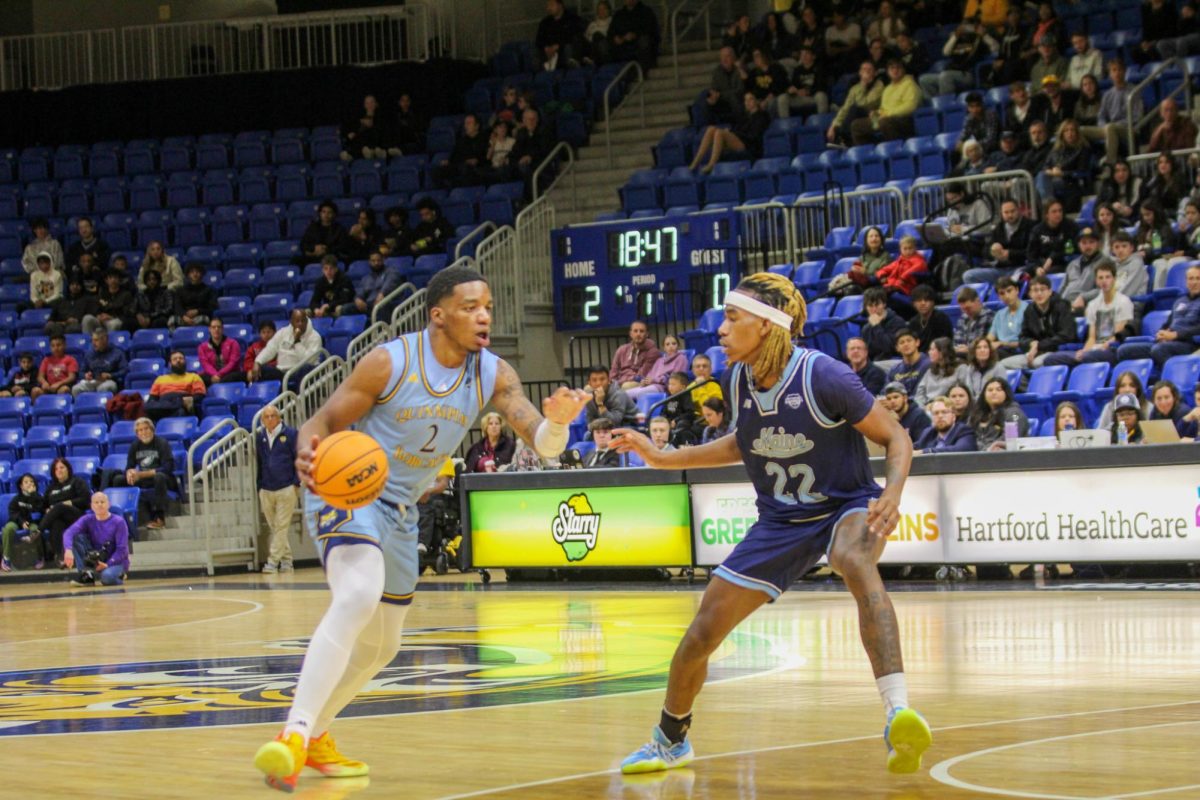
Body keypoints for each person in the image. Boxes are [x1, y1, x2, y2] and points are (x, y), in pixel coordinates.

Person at [253, 264, 589, 791]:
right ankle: (292, 735)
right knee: (358, 593)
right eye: (471, 307)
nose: (484, 316)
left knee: (383, 646)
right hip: (350, 491)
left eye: (489, 308)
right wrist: (306, 450)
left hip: (403, 508)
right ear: (438, 315)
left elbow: (543, 442)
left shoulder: (493, 372)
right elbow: (322, 422)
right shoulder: (390, 361)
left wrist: (560, 420)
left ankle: (317, 735)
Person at [611, 271, 928, 777]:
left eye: (732, 317)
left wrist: (891, 494)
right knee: (702, 630)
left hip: (844, 504)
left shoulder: (824, 375)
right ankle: (671, 740)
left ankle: (898, 713)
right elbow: (743, 443)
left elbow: (896, 438)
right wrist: (662, 457)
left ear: (766, 326)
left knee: (852, 559)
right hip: (780, 520)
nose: (720, 329)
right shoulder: (737, 379)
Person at [1046, 261, 1133, 366]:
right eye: (1100, 278)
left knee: (1087, 357)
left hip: (1112, 349)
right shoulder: (1093, 304)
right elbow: (1091, 337)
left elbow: (1117, 336)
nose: (1104, 281)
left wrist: (1096, 350)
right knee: (1051, 359)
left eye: (1107, 277)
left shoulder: (1124, 301)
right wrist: (1085, 351)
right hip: (1093, 350)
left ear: (1114, 279)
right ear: (1096, 281)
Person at [1116, 265, 1200, 367]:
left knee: (1159, 350)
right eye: (1191, 278)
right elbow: (1168, 323)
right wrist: (1161, 334)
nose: (1194, 282)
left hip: (1189, 344)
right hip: (1168, 342)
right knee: (1123, 351)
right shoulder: (1180, 300)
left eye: (1198, 278)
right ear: (1186, 281)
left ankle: (1177, 376)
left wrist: (1176, 335)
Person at [107, 417, 176, 530]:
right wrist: (130, 473)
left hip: (162, 478)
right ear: (137, 433)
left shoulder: (162, 443)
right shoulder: (135, 445)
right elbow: (129, 466)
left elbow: (168, 468)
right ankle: (121, 517)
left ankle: (159, 518)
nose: (143, 432)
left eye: (146, 429)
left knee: (159, 477)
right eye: (140, 430)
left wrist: (142, 474)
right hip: (143, 478)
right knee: (118, 479)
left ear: (152, 430)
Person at [256, 405, 299, 574]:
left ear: (279, 418)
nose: (270, 419)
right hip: (266, 488)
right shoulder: (260, 437)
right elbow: (259, 462)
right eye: (266, 416)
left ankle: (273, 562)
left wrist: (296, 482)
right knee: (275, 527)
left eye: (273, 416)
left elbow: (299, 458)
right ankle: (287, 561)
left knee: (281, 526)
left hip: (286, 487)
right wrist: (259, 484)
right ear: (262, 420)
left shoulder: (291, 434)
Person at [1000, 275, 1076, 369]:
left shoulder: (1062, 306)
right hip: (1036, 352)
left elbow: (1067, 335)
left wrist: (1039, 345)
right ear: (1030, 294)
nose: (1039, 293)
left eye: (1042, 289)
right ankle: (1026, 383)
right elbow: (1022, 337)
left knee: (1037, 363)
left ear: (1050, 291)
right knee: (1003, 364)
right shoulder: (1029, 310)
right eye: (1035, 290)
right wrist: (1031, 343)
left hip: (1057, 351)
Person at [689, 91, 769, 173]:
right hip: (739, 139)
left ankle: (712, 164)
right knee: (711, 129)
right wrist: (731, 132)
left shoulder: (761, 116)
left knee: (720, 133)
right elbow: (735, 125)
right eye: (746, 100)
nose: (747, 102)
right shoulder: (744, 115)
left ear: (756, 101)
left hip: (749, 144)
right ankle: (696, 161)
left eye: (750, 99)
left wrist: (733, 134)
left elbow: (753, 135)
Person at [63, 492, 130, 586]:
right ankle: (86, 575)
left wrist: (108, 564)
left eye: (102, 502)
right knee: (76, 537)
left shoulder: (119, 522)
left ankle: (120, 575)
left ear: (108, 504)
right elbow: (69, 532)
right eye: (96, 502)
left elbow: (122, 549)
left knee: (107, 578)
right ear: (91, 506)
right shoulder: (87, 519)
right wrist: (68, 550)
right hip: (96, 555)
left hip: (115, 560)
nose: (99, 505)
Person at [851, 60, 920, 145]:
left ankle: (896, 149)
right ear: (887, 72)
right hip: (885, 119)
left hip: (905, 120)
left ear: (903, 70)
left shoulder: (910, 84)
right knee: (856, 126)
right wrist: (876, 113)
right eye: (892, 68)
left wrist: (888, 114)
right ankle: (872, 152)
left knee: (884, 122)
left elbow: (911, 107)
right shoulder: (887, 89)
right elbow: (883, 109)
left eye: (898, 68)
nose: (895, 71)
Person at [1087, 60, 1141, 167]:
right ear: (1110, 74)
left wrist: (1114, 125)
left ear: (1125, 71)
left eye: (1119, 70)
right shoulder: (1107, 94)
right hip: (1109, 128)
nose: (1117, 73)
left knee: (1111, 128)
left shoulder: (1134, 90)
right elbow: (1101, 116)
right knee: (1080, 130)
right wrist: (1103, 126)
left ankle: (1110, 163)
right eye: (1114, 70)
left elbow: (1137, 116)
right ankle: (1088, 166)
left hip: (1128, 128)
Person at [40, 457, 91, 570]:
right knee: (56, 523)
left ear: (68, 469)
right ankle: (60, 557)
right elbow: (43, 506)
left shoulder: (77, 481)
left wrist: (70, 502)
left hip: (76, 516)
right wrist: (46, 510)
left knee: (60, 506)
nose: (59, 470)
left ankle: (39, 530)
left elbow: (86, 500)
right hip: (59, 518)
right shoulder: (51, 488)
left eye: (62, 467)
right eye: (56, 468)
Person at [922, 20, 996, 97]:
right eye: (964, 26)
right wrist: (955, 36)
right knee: (924, 79)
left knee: (945, 76)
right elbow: (945, 52)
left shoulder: (978, 39)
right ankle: (935, 105)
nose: (966, 28)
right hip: (951, 72)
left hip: (967, 74)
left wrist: (984, 35)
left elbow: (995, 48)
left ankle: (947, 104)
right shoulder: (958, 39)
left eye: (968, 26)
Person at [254, 309, 324, 386]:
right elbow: (270, 349)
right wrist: (258, 362)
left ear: (307, 321)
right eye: (297, 321)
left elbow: (309, 360)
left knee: (306, 368)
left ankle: (299, 397)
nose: (300, 324)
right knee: (263, 369)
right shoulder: (283, 332)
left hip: (301, 371)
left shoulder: (315, 337)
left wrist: (297, 341)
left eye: (303, 321)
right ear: (291, 321)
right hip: (282, 371)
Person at [1036, 119, 1093, 211]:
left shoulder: (1083, 149)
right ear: (1062, 134)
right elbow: (1046, 165)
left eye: (1072, 130)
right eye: (1066, 130)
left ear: (1077, 132)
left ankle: (1048, 206)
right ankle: (1050, 204)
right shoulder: (1056, 149)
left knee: (1040, 183)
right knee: (1040, 176)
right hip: (1053, 179)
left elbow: (1082, 171)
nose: (1069, 133)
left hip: (1070, 181)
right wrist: (1050, 171)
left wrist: (1062, 173)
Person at [827, 62, 884, 147]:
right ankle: (843, 138)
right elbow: (845, 108)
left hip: (875, 117)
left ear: (874, 73)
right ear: (860, 72)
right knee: (849, 112)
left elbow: (865, 104)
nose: (866, 72)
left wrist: (863, 84)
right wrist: (833, 125)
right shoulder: (854, 88)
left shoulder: (879, 85)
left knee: (856, 108)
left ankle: (843, 138)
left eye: (869, 70)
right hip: (856, 119)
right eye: (864, 69)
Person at [0, 474, 45, 572]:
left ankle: (40, 557)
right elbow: (12, 512)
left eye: (31, 481)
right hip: (16, 522)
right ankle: (6, 558)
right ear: (21, 486)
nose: (29, 483)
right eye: (26, 482)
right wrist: (22, 522)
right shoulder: (16, 499)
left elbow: (41, 510)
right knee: (8, 529)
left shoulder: (39, 497)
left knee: (35, 530)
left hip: (32, 523)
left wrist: (33, 495)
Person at [145, 350, 206, 420]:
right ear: (170, 364)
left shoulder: (194, 377)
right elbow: (152, 399)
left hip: (181, 401)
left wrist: (188, 400)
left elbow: (200, 395)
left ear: (185, 361)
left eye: (181, 358)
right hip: (163, 404)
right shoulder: (160, 379)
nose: (178, 360)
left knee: (180, 409)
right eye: (175, 359)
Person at [970, 377, 1028, 451]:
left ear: (1006, 393)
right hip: (976, 455)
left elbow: (1010, 440)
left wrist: (986, 449)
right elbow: (968, 436)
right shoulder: (977, 414)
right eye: (990, 390)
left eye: (999, 390)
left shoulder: (1015, 414)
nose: (994, 392)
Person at [433, 114, 489, 188]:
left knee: (466, 169)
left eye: (469, 123)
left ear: (477, 126)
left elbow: (486, 156)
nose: (466, 126)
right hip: (460, 165)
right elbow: (454, 156)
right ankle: (446, 191)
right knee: (436, 172)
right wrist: (448, 161)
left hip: (477, 167)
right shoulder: (462, 141)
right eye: (465, 123)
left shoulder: (484, 139)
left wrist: (477, 160)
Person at [627, 333, 687, 402]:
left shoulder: (681, 358)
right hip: (650, 385)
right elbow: (650, 375)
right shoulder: (659, 360)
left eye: (674, 343)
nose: (671, 346)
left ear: (678, 346)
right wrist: (644, 381)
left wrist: (654, 380)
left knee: (639, 393)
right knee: (625, 394)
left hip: (663, 388)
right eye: (667, 344)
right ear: (664, 348)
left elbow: (676, 379)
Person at [1061, 227, 1107, 313]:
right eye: (1084, 243)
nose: (1087, 246)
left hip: (1087, 306)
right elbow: (1062, 288)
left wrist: (1084, 297)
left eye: (1091, 242)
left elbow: (1105, 289)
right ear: (1079, 245)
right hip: (1065, 306)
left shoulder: (1105, 263)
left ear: (1099, 244)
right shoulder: (1072, 265)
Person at [346, 251, 401, 321]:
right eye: (373, 261)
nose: (376, 263)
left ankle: (382, 330)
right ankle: (355, 331)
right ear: (369, 262)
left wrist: (382, 293)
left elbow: (390, 282)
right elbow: (360, 291)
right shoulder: (366, 278)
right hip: (369, 306)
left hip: (385, 303)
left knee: (381, 306)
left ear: (383, 260)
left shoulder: (391, 271)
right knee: (346, 309)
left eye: (378, 260)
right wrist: (358, 299)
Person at [777, 45, 829, 118]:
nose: (803, 56)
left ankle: (822, 122)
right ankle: (786, 125)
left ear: (813, 56)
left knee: (821, 96)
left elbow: (822, 86)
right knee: (782, 98)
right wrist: (791, 90)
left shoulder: (820, 69)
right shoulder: (797, 70)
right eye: (802, 54)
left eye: (806, 54)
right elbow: (793, 85)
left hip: (813, 96)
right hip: (799, 97)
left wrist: (808, 92)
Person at [913, 397, 977, 454]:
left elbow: (960, 450)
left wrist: (926, 452)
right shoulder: (928, 433)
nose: (940, 416)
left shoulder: (963, 431)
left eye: (944, 412)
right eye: (936, 413)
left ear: (954, 416)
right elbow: (913, 447)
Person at [608, 0, 659, 72]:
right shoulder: (619, 14)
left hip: (639, 47)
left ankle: (642, 70)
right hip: (622, 48)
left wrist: (635, 35)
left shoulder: (646, 12)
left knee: (644, 41)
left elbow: (651, 30)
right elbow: (611, 32)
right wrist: (616, 38)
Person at [73, 328, 127, 395]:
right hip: (92, 381)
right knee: (76, 389)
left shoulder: (117, 353)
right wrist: (85, 375)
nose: (93, 343)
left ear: (105, 340)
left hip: (109, 381)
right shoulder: (89, 354)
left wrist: (111, 375)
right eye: (92, 340)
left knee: (103, 388)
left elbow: (124, 370)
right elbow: (81, 372)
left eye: (96, 340)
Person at [609, 320, 661, 390]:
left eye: (641, 331)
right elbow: (613, 372)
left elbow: (641, 376)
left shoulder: (653, 352)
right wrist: (612, 382)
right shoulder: (622, 349)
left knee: (626, 386)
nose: (638, 334)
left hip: (640, 382)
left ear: (647, 334)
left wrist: (621, 381)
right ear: (631, 334)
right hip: (620, 381)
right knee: (590, 388)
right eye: (635, 331)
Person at [859, 287, 906, 362]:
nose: (874, 309)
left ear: (884, 304)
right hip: (875, 363)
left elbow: (889, 348)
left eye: (877, 305)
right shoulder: (866, 328)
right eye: (870, 306)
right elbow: (868, 353)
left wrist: (876, 327)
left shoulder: (897, 322)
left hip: (894, 361)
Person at [535, 0, 585, 70]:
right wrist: (546, 48)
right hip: (548, 54)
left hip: (563, 51)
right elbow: (539, 40)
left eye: (552, 5)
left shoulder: (572, 19)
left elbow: (575, 37)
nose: (549, 8)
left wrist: (558, 46)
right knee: (534, 52)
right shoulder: (545, 23)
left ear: (560, 5)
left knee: (568, 48)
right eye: (548, 6)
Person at [913, 338, 960, 408]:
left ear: (942, 351)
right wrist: (923, 408)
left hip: (948, 406)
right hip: (928, 407)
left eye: (932, 349)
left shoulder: (960, 369)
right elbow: (920, 393)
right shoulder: (930, 371)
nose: (929, 352)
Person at [299, 200, 349, 266]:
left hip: (331, 257)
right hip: (314, 256)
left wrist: (326, 250)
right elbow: (303, 244)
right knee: (296, 260)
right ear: (320, 213)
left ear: (334, 214)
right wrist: (314, 248)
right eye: (324, 212)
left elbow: (343, 246)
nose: (326, 215)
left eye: (329, 212)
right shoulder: (313, 227)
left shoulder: (339, 229)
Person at [988, 276, 1028, 358]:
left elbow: (1027, 342)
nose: (1006, 296)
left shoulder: (1028, 310)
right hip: (1002, 351)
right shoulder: (999, 314)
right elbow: (989, 338)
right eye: (1002, 293)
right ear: (999, 296)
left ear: (1017, 290)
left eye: (1009, 291)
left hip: (1020, 351)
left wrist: (1002, 343)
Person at [907, 285, 953, 351]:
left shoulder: (941, 319)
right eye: (919, 300)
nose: (923, 303)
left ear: (933, 302)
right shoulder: (913, 322)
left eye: (926, 300)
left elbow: (944, 346)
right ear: (914, 304)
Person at [88, 269, 135, 333]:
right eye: (110, 278)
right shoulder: (102, 293)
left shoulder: (126, 294)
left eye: (115, 278)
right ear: (106, 280)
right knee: (87, 318)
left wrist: (111, 317)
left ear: (119, 280)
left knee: (113, 324)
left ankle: (110, 342)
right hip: (102, 321)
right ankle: (88, 342)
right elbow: (96, 308)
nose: (113, 280)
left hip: (116, 320)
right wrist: (98, 316)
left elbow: (127, 313)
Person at [952, 286, 994, 358]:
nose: (966, 312)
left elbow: (983, 341)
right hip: (962, 355)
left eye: (968, 308)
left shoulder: (989, 316)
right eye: (963, 309)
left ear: (977, 301)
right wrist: (957, 348)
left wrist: (969, 349)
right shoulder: (963, 317)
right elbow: (957, 340)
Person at [885, 329, 930, 396]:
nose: (906, 344)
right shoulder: (893, 371)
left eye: (909, 341)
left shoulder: (929, 365)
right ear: (897, 348)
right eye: (902, 342)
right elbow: (886, 392)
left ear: (917, 342)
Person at [198, 318, 241, 386]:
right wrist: (215, 375)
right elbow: (205, 364)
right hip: (212, 376)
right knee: (197, 378)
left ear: (223, 329)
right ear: (209, 329)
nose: (216, 329)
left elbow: (233, 363)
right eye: (213, 327)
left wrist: (219, 375)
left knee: (235, 376)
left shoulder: (233, 343)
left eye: (219, 327)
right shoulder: (202, 347)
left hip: (229, 374)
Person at [31, 334, 77, 398]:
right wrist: (44, 382)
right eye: (53, 346)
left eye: (58, 345)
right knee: (35, 391)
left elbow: (72, 377)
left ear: (64, 345)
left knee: (64, 390)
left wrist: (59, 384)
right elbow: (40, 376)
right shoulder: (46, 360)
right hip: (48, 387)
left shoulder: (70, 359)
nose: (56, 348)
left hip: (62, 386)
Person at [662, 371, 700, 446]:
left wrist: (676, 421)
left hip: (683, 423)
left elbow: (690, 413)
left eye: (673, 384)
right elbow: (663, 413)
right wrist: (667, 421)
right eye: (669, 384)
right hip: (671, 424)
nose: (670, 387)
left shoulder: (686, 396)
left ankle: (682, 445)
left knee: (682, 424)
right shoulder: (669, 398)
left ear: (683, 387)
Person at [174, 262, 217, 328]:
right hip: (184, 317)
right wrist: (183, 316)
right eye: (192, 272)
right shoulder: (180, 290)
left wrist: (198, 311)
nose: (195, 274)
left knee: (204, 319)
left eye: (197, 272)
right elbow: (177, 306)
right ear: (188, 274)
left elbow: (211, 307)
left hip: (201, 315)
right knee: (172, 320)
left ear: (202, 274)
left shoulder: (209, 290)